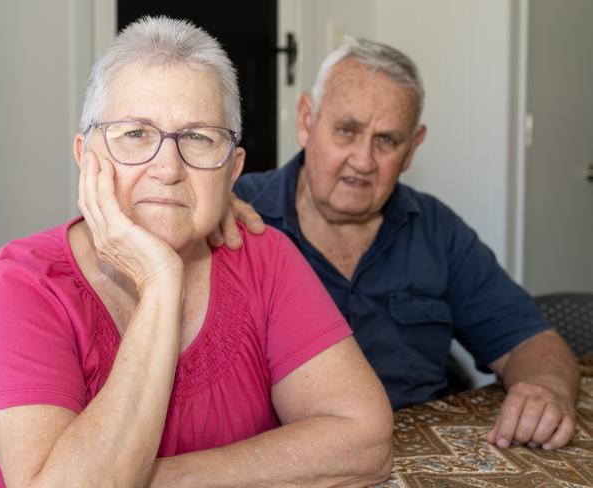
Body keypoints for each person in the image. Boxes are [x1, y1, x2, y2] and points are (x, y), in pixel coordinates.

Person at [0, 18, 393, 487]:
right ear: (85, 156)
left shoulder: (261, 256)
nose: (168, 168)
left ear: (231, 169)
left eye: (198, 138)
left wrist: (144, 479)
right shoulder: (19, 286)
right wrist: (160, 280)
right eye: (135, 133)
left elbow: (365, 442)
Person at [224, 37, 580, 451]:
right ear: (306, 120)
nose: (363, 160)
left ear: (412, 149)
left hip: (417, 457)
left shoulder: (437, 230)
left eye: (387, 140)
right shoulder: (235, 217)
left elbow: (529, 339)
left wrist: (546, 388)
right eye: (346, 130)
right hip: (283, 462)